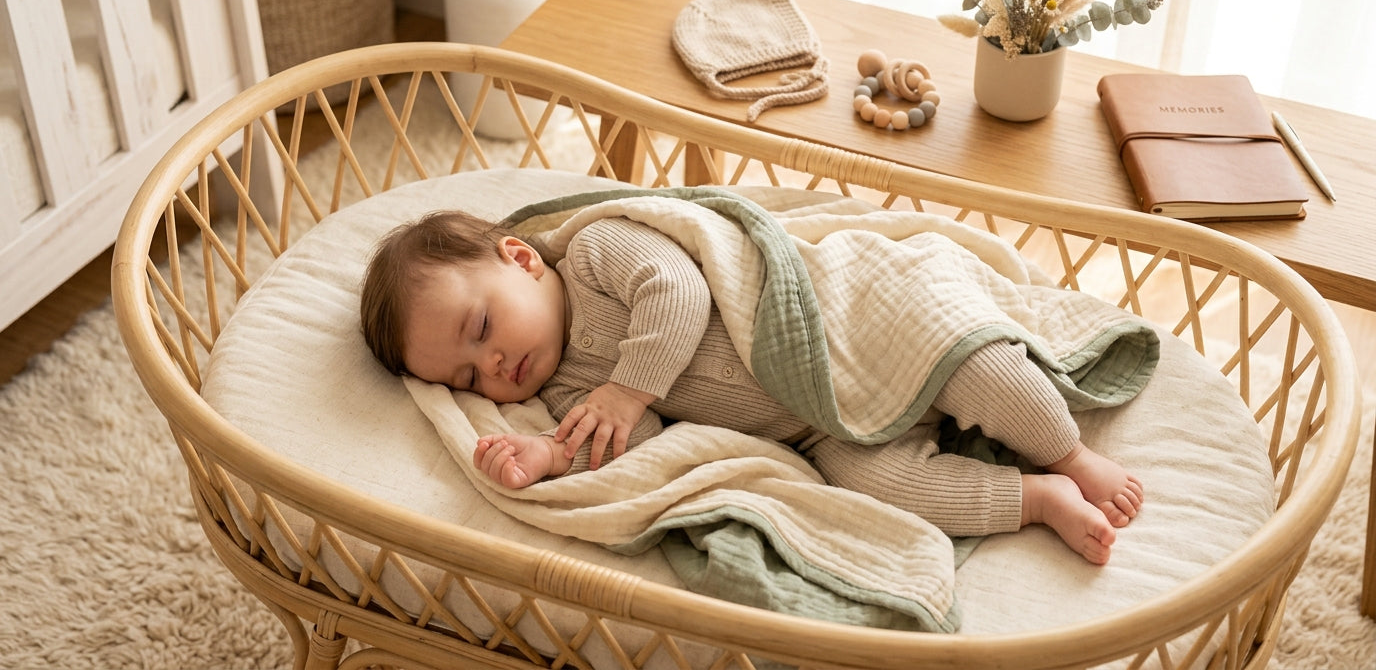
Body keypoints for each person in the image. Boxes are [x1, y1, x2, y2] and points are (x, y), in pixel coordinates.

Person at [360, 207, 1145, 565]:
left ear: (521, 259)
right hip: (817, 424)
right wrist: (550, 454)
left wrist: (629, 387)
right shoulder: (568, 395)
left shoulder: (596, 252)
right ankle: (1035, 497)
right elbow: (632, 441)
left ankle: (1067, 454)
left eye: (481, 329)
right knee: (877, 485)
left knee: (976, 367)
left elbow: (678, 291)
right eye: (466, 378)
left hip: (848, 322)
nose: (493, 367)